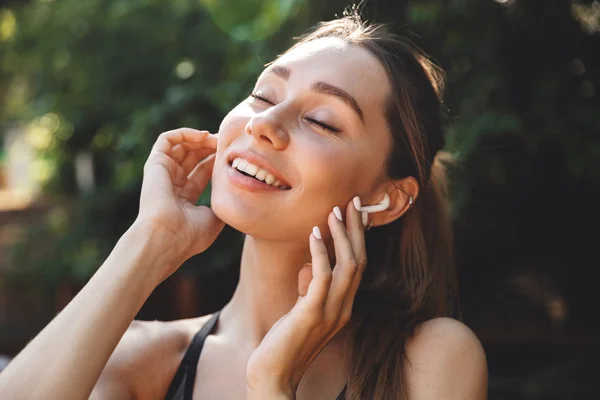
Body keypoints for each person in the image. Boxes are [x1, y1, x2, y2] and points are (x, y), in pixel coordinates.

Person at [0, 11, 487, 400]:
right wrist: (150, 243)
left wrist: (272, 384)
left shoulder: (429, 362)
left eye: (322, 120)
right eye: (263, 94)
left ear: (386, 198)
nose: (264, 122)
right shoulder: (138, 359)